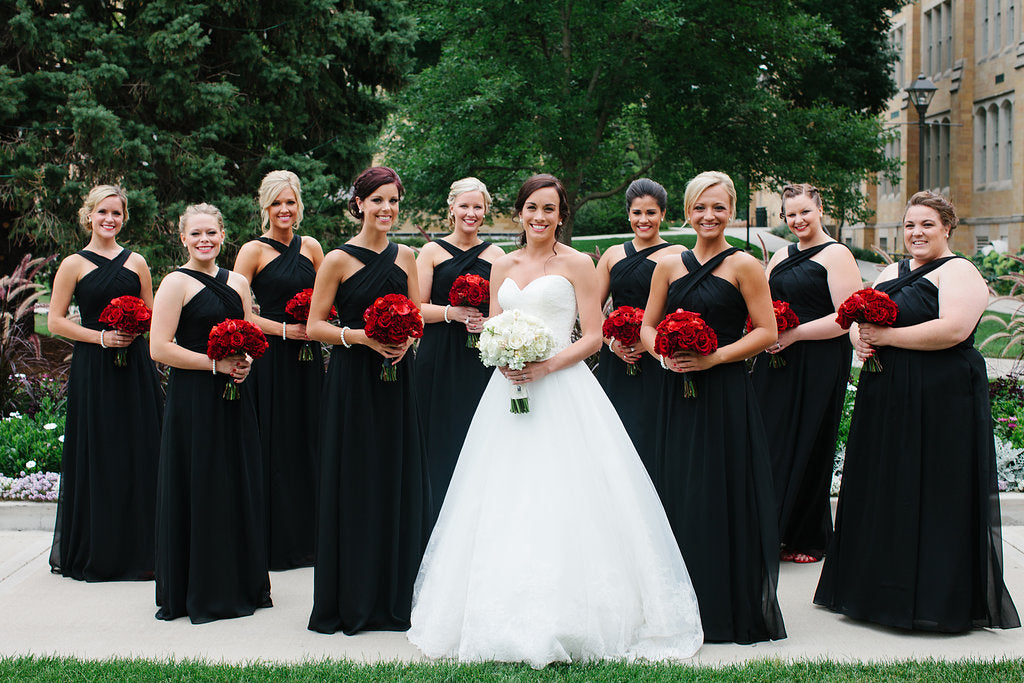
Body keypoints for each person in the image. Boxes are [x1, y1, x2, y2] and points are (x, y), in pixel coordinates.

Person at [408, 174, 703, 667]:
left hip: (563, 388)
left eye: (549, 209)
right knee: (503, 493)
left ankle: (580, 615)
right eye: (531, 208)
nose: (539, 217)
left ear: (562, 214)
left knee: (570, 491)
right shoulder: (501, 264)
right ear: (519, 212)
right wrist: (501, 357)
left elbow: (591, 335)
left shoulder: (578, 263)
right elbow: (498, 326)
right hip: (508, 391)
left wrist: (545, 365)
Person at [814, 191, 1020, 632]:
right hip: (886, 393)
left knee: (933, 488)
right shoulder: (893, 270)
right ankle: (873, 593)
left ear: (947, 226)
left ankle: (933, 601)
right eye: (910, 225)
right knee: (886, 486)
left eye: (927, 224)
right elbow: (855, 319)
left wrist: (884, 339)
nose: (916, 233)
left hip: (941, 395)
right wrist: (859, 338)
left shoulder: (959, 270)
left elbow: (954, 329)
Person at [640, 170, 786, 644]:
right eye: (700, 207)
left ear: (732, 212)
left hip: (724, 393)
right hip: (674, 394)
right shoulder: (666, 265)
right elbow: (647, 325)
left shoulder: (745, 265)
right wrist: (663, 353)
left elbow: (766, 331)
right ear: (686, 211)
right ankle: (674, 603)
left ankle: (723, 604)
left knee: (721, 492)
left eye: (718, 207)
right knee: (677, 487)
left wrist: (714, 357)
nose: (709, 216)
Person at [306, 166, 431, 635]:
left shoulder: (407, 257)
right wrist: (360, 337)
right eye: (377, 200)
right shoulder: (337, 259)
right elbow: (316, 325)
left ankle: (396, 597)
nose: (386, 209)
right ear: (358, 203)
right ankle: (354, 598)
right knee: (356, 480)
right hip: (353, 381)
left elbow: (416, 317)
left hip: (398, 380)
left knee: (397, 479)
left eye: (393, 201)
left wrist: (405, 342)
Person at [150, 203, 271, 623]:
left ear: (223, 235)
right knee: (199, 482)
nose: (205, 240)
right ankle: (197, 587)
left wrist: (247, 360)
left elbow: (251, 332)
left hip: (236, 395)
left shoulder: (237, 282)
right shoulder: (174, 283)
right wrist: (214, 364)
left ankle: (236, 580)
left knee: (236, 481)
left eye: (212, 233)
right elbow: (159, 348)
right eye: (196, 233)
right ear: (182, 238)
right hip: (193, 400)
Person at [47, 184, 163, 582]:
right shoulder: (73, 264)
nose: (109, 219)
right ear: (89, 216)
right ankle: (100, 550)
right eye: (102, 212)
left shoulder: (138, 263)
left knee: (139, 450)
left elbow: (151, 315)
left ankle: (142, 550)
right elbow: (55, 321)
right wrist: (100, 337)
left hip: (134, 369)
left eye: (116, 213)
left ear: (124, 217)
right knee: (101, 452)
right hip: (94, 369)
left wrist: (137, 329)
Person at [750, 183, 861, 564]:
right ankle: (768, 529)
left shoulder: (837, 254)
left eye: (804, 212)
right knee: (767, 439)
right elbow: (762, 302)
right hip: (775, 357)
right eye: (790, 214)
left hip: (818, 358)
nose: (797, 220)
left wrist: (794, 334)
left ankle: (806, 537)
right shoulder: (780, 254)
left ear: (820, 209)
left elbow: (846, 317)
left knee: (809, 441)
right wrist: (762, 331)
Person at [234, 170, 325, 570]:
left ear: (299, 204)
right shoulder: (252, 251)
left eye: (290, 202)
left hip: (308, 362)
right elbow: (239, 310)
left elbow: (328, 298)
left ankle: (310, 539)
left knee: (308, 440)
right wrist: (287, 329)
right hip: (271, 358)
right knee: (272, 442)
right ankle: (272, 542)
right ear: (265, 207)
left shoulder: (313, 248)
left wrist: (320, 324)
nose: (284, 210)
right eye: (276, 203)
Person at [414, 177, 504, 522]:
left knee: (478, 435)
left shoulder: (497, 255)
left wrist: (488, 323)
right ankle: (432, 514)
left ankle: (475, 518)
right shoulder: (432, 252)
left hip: (479, 359)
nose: (471, 213)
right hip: (438, 356)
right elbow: (416, 307)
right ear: (451, 208)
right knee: (437, 436)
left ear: (485, 211)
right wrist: (453, 313)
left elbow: (503, 310)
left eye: (477, 206)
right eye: (464, 206)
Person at [594, 178, 684, 479]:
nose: (643, 220)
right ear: (628, 215)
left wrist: (651, 343)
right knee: (615, 433)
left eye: (651, 213)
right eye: (637, 213)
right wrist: (611, 344)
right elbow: (591, 309)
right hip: (616, 359)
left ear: (663, 214)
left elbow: (683, 308)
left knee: (654, 433)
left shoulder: (678, 254)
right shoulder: (611, 255)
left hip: (659, 359)